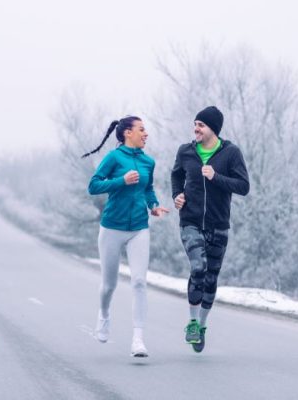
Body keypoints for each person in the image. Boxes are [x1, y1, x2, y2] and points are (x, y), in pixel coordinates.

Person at [84, 116, 169, 357]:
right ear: (127, 133)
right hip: (112, 227)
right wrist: (121, 181)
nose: (146, 134)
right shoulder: (113, 158)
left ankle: (138, 340)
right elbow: (93, 186)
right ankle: (104, 314)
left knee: (140, 282)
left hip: (139, 228)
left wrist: (153, 205)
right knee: (109, 285)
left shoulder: (148, 161)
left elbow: (148, 188)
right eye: (142, 130)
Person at [171, 106, 250, 353]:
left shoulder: (231, 153)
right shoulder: (185, 151)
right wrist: (177, 195)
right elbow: (176, 176)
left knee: (212, 278)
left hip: (218, 225)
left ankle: (202, 326)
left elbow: (243, 186)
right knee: (198, 268)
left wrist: (216, 177)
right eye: (195, 124)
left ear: (213, 129)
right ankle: (192, 323)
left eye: (201, 125)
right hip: (191, 222)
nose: (196, 128)